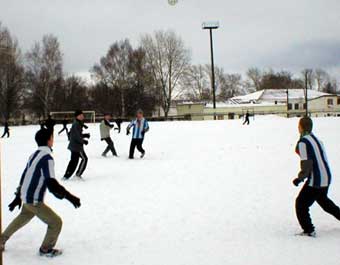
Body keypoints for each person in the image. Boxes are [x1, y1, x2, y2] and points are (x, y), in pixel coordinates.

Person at [0, 128, 81, 257]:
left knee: (23, 217)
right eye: (52, 137)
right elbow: (52, 184)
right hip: (34, 200)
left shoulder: (34, 154)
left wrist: (18, 195)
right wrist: (70, 197)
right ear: (49, 140)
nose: (53, 140)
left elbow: (24, 175)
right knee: (56, 222)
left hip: (26, 197)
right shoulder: (47, 158)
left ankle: (1, 239)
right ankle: (46, 249)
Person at [293, 117, 340, 237]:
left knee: (301, 204)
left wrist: (300, 178)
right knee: (324, 202)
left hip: (316, 180)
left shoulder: (303, 142)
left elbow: (307, 163)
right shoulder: (318, 139)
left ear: (301, 127)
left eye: (299, 125)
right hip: (327, 177)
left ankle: (309, 230)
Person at [63, 110, 90, 180]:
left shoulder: (78, 123)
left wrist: (85, 135)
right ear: (77, 116)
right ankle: (78, 175)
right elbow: (76, 136)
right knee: (84, 159)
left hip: (74, 145)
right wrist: (83, 141)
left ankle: (66, 176)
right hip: (77, 146)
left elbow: (76, 134)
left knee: (73, 161)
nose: (82, 116)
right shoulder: (76, 124)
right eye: (80, 115)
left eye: (82, 115)